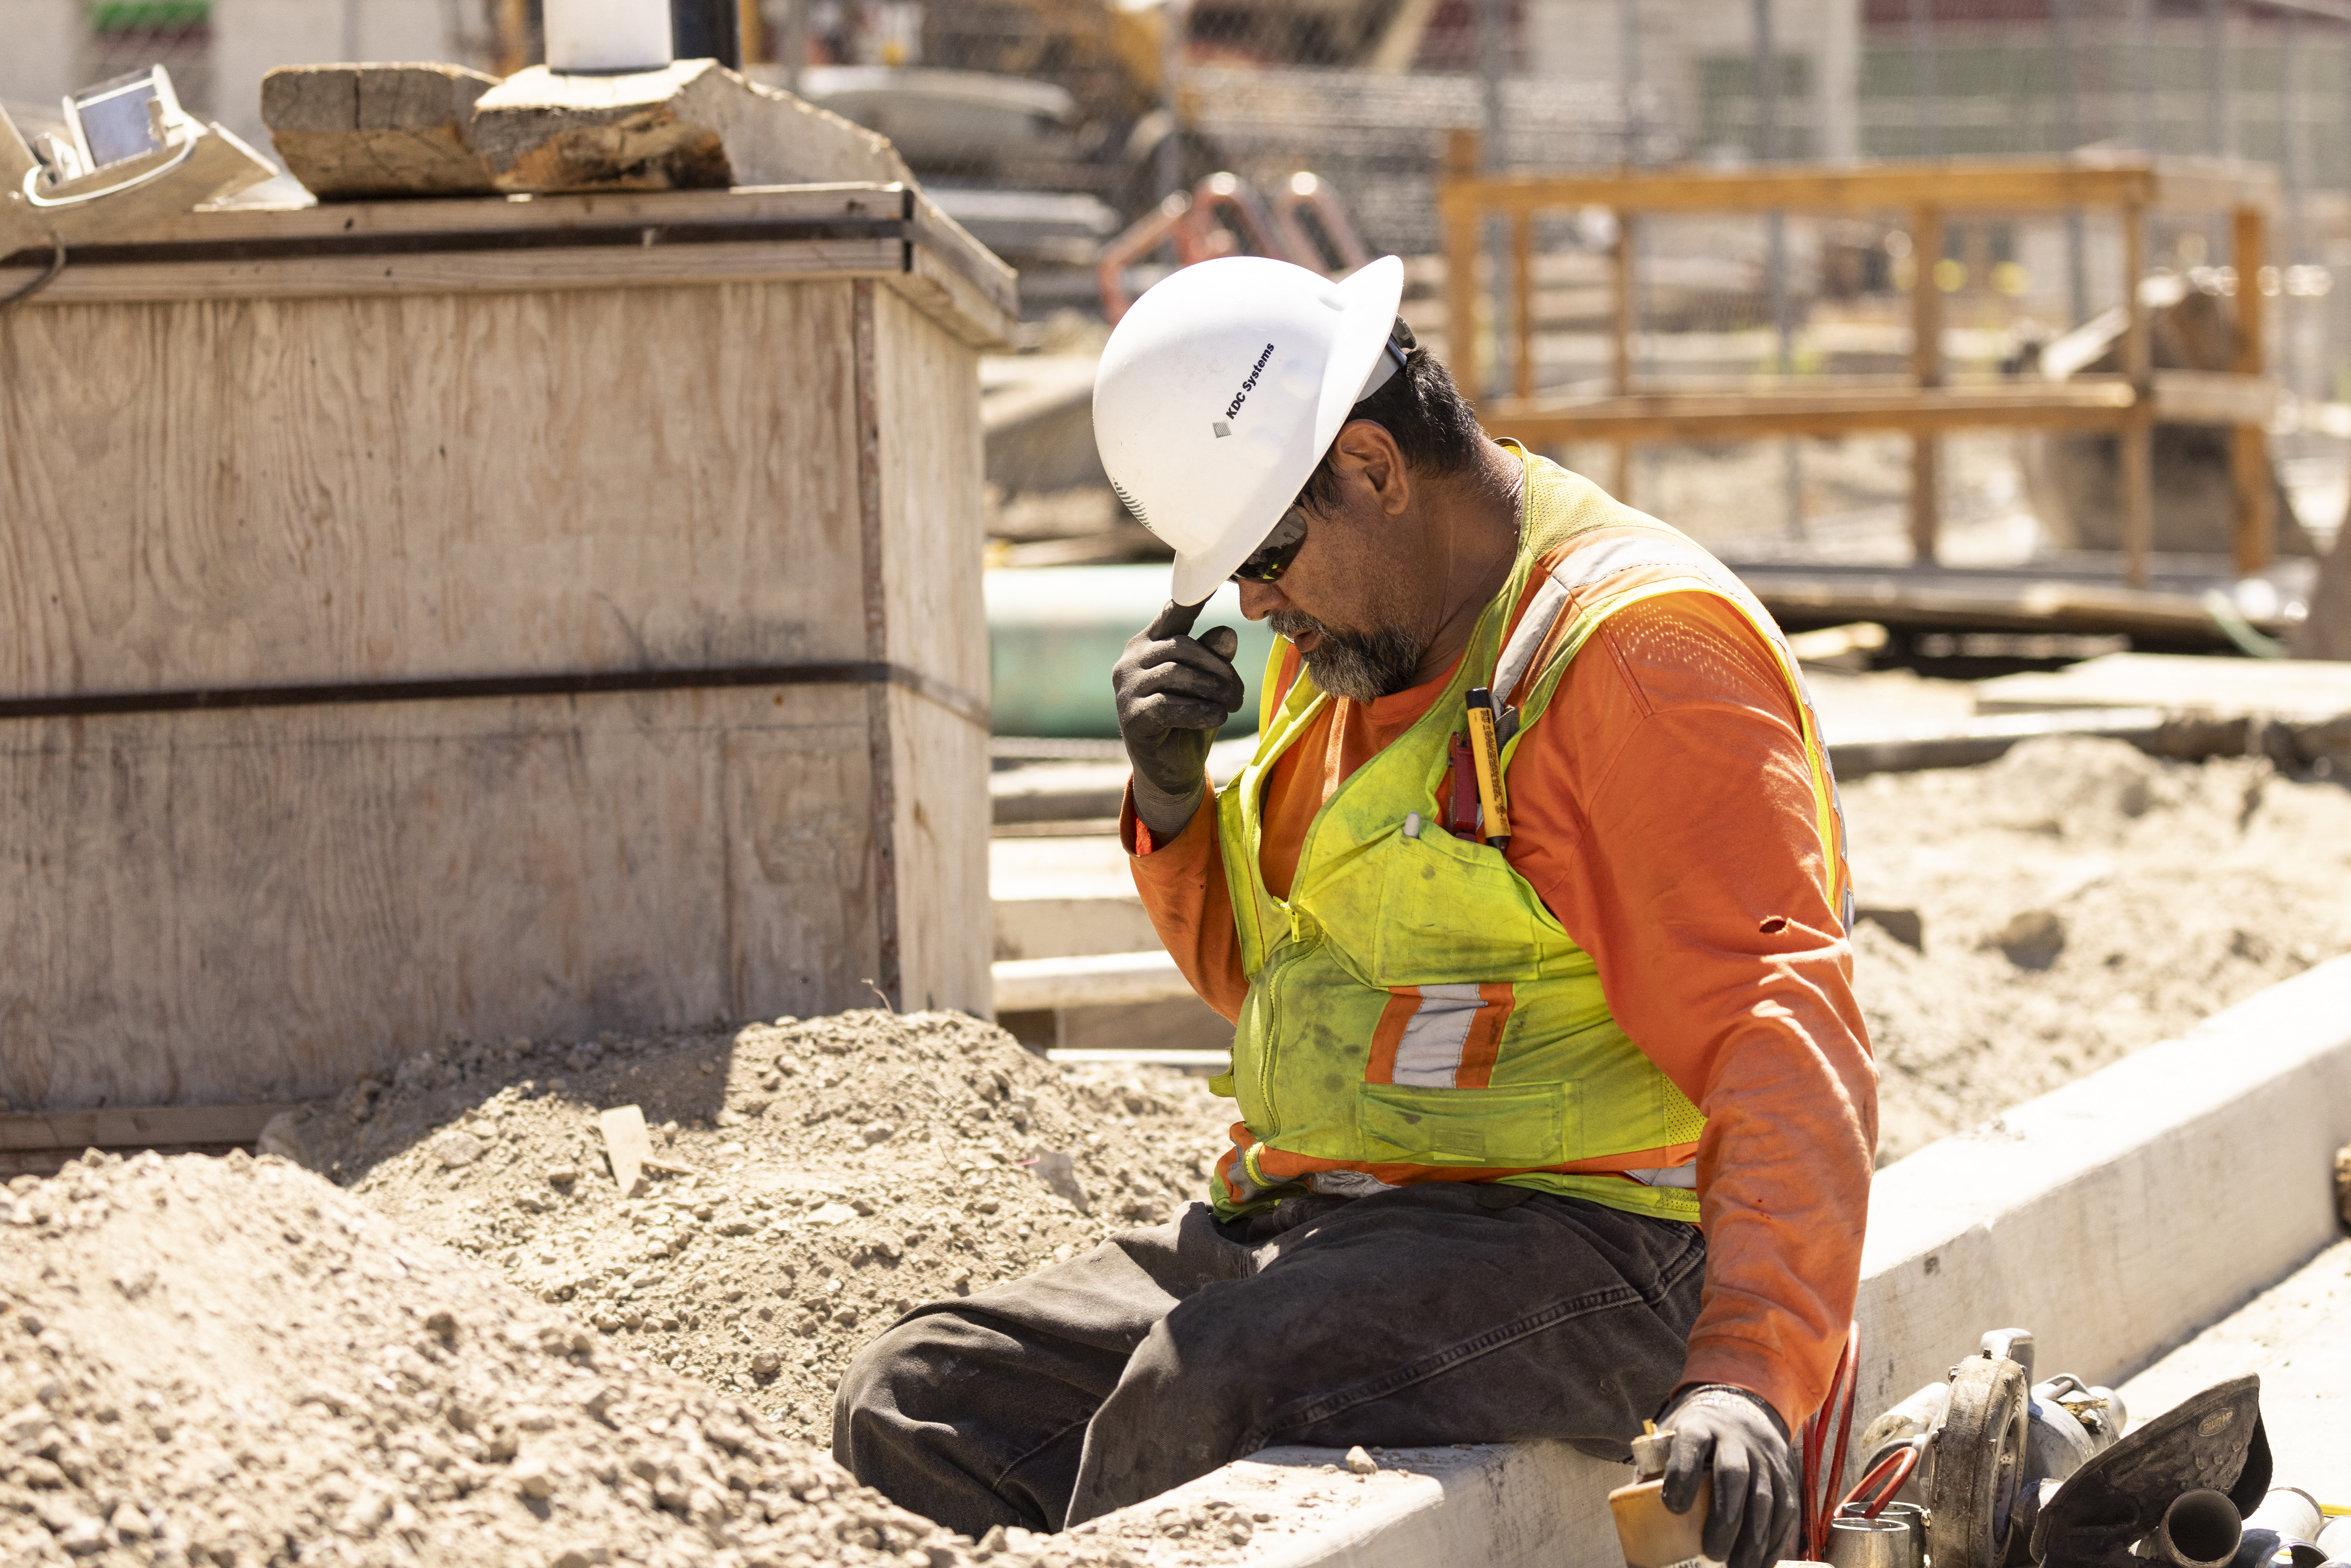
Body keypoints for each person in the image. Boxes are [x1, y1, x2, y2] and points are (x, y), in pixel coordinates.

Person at [834, 254, 1876, 1568]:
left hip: (1599, 1244)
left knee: (1202, 1385)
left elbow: (1780, 1023)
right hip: (1336, 1221)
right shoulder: (1353, 647)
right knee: (923, 1395)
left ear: (1376, 470)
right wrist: (1170, 809)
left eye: (1266, 555)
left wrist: (1747, 1372)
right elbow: (1287, 990)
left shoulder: (1636, 658)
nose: (1255, 602)